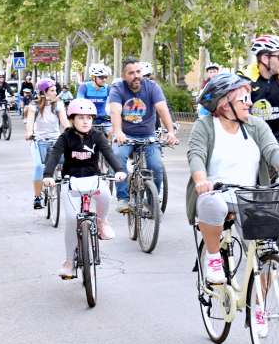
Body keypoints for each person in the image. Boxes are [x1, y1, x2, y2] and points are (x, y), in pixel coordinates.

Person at [186, 73, 279, 326]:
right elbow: (195, 155)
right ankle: (214, 259)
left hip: (250, 196)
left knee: (271, 247)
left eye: (249, 97)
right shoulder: (205, 126)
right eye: (243, 98)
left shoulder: (255, 126)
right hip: (216, 192)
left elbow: (273, 151)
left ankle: (258, 306)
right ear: (223, 103)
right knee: (211, 203)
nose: (249, 103)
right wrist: (200, 181)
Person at [42, 99, 125, 279]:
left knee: (106, 195)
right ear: (72, 119)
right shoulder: (65, 137)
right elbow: (55, 155)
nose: (86, 121)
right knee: (72, 219)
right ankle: (69, 262)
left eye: (89, 117)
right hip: (70, 181)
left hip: (93, 179)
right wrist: (48, 175)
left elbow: (108, 153)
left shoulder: (97, 136)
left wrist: (119, 170)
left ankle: (102, 221)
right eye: (81, 117)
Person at [108, 59, 179, 213]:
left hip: (148, 136)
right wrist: (118, 131)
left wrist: (170, 132)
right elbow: (115, 111)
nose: (136, 76)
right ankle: (123, 198)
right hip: (125, 136)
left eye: (138, 72)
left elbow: (162, 108)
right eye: (131, 73)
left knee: (157, 166)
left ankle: (152, 200)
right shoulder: (117, 88)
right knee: (118, 157)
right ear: (124, 75)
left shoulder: (152, 87)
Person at [26, 79, 68, 210]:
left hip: (56, 141)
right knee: (39, 167)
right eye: (52, 90)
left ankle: (66, 186)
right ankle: (37, 197)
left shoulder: (58, 105)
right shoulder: (34, 106)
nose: (55, 93)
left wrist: (71, 132)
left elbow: (65, 122)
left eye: (55, 90)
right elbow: (30, 122)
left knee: (68, 162)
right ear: (43, 92)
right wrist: (29, 132)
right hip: (39, 141)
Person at [76, 64, 113, 128]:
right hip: (88, 119)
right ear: (93, 77)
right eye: (101, 77)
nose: (104, 79)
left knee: (111, 134)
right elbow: (79, 102)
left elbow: (116, 101)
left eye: (105, 77)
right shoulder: (84, 87)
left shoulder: (107, 88)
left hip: (103, 119)